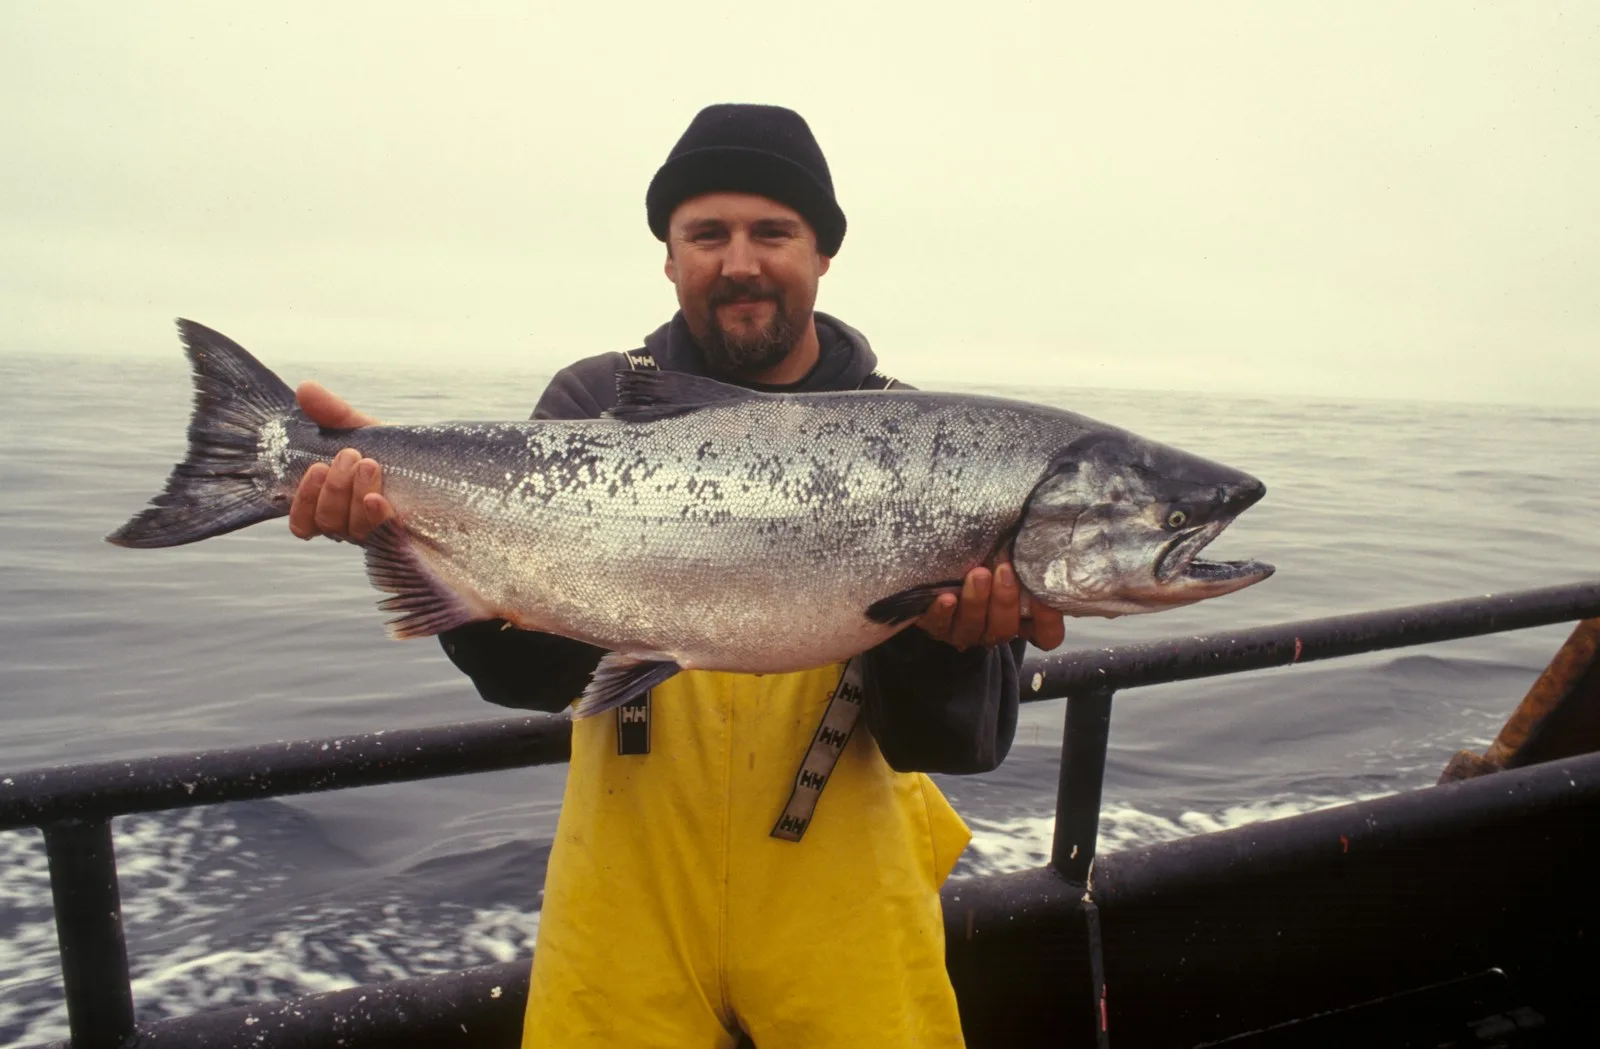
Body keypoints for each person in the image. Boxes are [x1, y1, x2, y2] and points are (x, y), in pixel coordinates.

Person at [287, 103, 1066, 1049]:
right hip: (630, 899)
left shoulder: (931, 447)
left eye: (773, 230)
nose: (740, 260)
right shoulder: (594, 406)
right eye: (708, 234)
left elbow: (960, 744)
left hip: (845, 904)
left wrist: (948, 643)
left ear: (823, 253)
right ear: (669, 256)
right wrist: (397, 519)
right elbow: (524, 677)